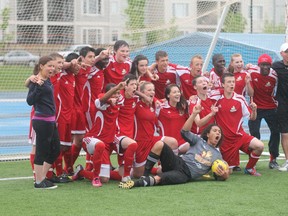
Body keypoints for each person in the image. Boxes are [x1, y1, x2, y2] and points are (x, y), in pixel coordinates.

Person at [119, 104, 229, 189]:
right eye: (215, 131)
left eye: (219, 132)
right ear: (208, 134)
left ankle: (134, 184)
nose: (218, 133)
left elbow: (224, 172)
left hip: (185, 174)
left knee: (159, 179)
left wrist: (224, 175)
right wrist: (194, 114)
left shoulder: (217, 155)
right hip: (178, 161)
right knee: (160, 144)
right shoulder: (198, 141)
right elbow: (184, 131)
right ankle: (145, 175)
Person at [73, 81, 126, 187]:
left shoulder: (119, 102)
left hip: (107, 143)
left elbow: (126, 96)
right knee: (100, 144)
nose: (116, 95)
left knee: (107, 179)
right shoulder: (100, 101)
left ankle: (81, 172)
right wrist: (115, 88)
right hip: (92, 139)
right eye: (114, 93)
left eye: (118, 93)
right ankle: (95, 177)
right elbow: (102, 99)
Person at [210, 73, 264, 176]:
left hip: (240, 136)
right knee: (227, 172)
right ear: (222, 84)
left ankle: (249, 168)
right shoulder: (215, 98)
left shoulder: (240, 99)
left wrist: (254, 110)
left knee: (259, 146)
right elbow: (203, 95)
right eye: (229, 82)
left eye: (233, 82)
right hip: (225, 141)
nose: (232, 84)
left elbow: (252, 118)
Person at [26, 56, 60, 189]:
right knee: (42, 151)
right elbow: (30, 101)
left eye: (53, 66)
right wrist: (36, 85)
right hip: (41, 121)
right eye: (49, 66)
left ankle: (42, 177)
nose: (52, 68)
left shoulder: (47, 79)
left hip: (51, 120)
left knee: (55, 149)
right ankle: (39, 182)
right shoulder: (37, 81)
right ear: (41, 66)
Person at [133, 81, 178, 178]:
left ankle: (176, 168)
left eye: (153, 90)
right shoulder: (136, 103)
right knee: (138, 174)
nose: (152, 92)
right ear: (142, 92)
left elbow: (170, 101)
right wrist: (143, 96)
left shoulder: (154, 104)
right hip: (140, 142)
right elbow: (130, 91)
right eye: (149, 90)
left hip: (152, 139)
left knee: (173, 142)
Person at [247, 54, 280, 169]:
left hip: (271, 106)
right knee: (254, 133)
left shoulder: (275, 75)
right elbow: (236, 69)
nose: (265, 67)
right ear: (258, 65)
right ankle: (253, 161)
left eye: (267, 65)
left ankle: (273, 159)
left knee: (276, 132)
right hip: (255, 107)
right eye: (263, 65)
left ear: (271, 66)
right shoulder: (251, 71)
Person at [157, 84, 190, 154]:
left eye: (178, 92)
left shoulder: (184, 106)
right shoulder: (161, 107)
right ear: (168, 95)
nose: (177, 94)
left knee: (197, 145)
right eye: (174, 92)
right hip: (168, 143)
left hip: (182, 142)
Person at [272, 43, 288, 171]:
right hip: (283, 105)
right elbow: (262, 70)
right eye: (286, 51)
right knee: (285, 134)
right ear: (281, 53)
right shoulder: (276, 66)